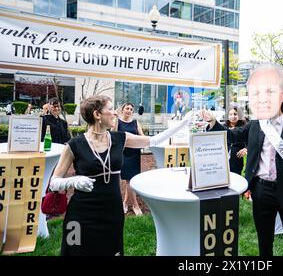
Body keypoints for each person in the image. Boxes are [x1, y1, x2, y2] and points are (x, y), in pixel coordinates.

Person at [49, 95, 193, 256]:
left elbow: (153, 141)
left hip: (112, 210)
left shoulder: (120, 138)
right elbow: (54, 182)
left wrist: (183, 123)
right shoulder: (74, 144)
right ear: (97, 114)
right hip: (81, 213)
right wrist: (73, 181)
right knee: (75, 251)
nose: (115, 113)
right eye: (110, 109)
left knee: (111, 251)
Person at [200, 63, 283, 256]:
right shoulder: (254, 126)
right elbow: (231, 135)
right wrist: (213, 121)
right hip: (261, 192)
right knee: (264, 245)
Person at [114, 103, 145, 216]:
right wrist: (115, 119)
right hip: (124, 153)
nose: (129, 110)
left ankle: (125, 202)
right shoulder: (118, 121)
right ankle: (135, 205)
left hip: (135, 153)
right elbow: (113, 133)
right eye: (127, 108)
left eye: (131, 109)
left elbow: (141, 135)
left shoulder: (136, 122)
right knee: (129, 180)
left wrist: (151, 140)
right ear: (122, 110)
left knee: (131, 179)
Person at [224, 105, 247, 175]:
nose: (233, 116)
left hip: (236, 159)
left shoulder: (244, 128)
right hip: (223, 159)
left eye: (235, 114)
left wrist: (246, 149)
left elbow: (251, 141)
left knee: (236, 180)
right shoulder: (224, 127)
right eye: (230, 114)